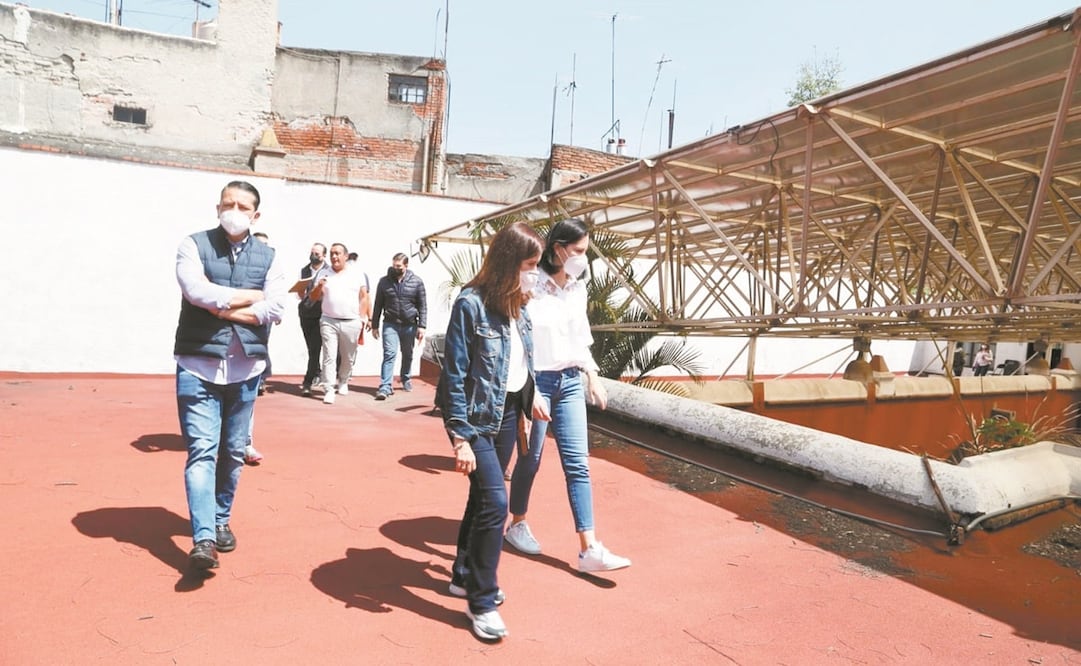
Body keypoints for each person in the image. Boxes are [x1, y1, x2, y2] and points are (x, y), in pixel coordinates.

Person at [436, 222, 549, 641]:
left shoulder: (518, 303)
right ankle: (481, 601)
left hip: (506, 415)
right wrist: (460, 438)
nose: (535, 272)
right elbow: (454, 375)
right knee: (496, 503)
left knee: (482, 498)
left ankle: (464, 575)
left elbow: (519, 363)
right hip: (477, 420)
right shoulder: (471, 305)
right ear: (508, 262)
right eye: (530, 264)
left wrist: (531, 395)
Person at [506, 218, 631, 573]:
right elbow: (521, 340)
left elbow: (581, 339)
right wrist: (529, 389)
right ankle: (517, 523)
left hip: (571, 381)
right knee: (530, 459)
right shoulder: (530, 285)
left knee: (578, 462)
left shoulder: (578, 289)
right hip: (537, 382)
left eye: (585, 253)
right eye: (577, 251)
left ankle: (589, 548)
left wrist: (593, 376)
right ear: (558, 248)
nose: (582, 259)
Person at [173, 180, 286, 571]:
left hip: (245, 369)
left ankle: (221, 520)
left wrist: (224, 310)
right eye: (227, 203)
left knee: (233, 453)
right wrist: (250, 297)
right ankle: (204, 538)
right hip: (198, 365)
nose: (233, 211)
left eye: (241, 206)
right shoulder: (194, 244)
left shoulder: (269, 256)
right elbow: (195, 291)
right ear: (217, 207)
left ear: (255, 215)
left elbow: (275, 309)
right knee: (202, 451)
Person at [309, 243, 370, 405]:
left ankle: (343, 380)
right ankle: (328, 389)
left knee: (348, 357)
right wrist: (319, 286)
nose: (334, 257)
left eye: (338, 254)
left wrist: (363, 318)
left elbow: (364, 296)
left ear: (345, 256)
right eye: (332, 254)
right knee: (329, 356)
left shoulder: (357, 273)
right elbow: (314, 297)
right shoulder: (323, 273)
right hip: (328, 320)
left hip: (351, 321)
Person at [371, 252, 427, 400]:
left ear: (406, 266)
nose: (396, 268)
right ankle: (385, 386)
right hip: (390, 323)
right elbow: (378, 304)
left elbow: (422, 306)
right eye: (394, 266)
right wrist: (374, 324)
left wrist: (422, 326)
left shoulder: (417, 282)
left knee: (407, 354)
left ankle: (406, 377)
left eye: (399, 266)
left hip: (410, 324)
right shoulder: (384, 282)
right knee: (389, 353)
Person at [298, 243, 331, 396]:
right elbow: (300, 293)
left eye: (317, 253)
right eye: (312, 252)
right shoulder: (305, 270)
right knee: (311, 347)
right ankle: (316, 372)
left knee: (315, 348)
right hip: (305, 312)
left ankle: (307, 382)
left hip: (321, 312)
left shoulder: (329, 271)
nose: (314, 256)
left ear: (323, 256)